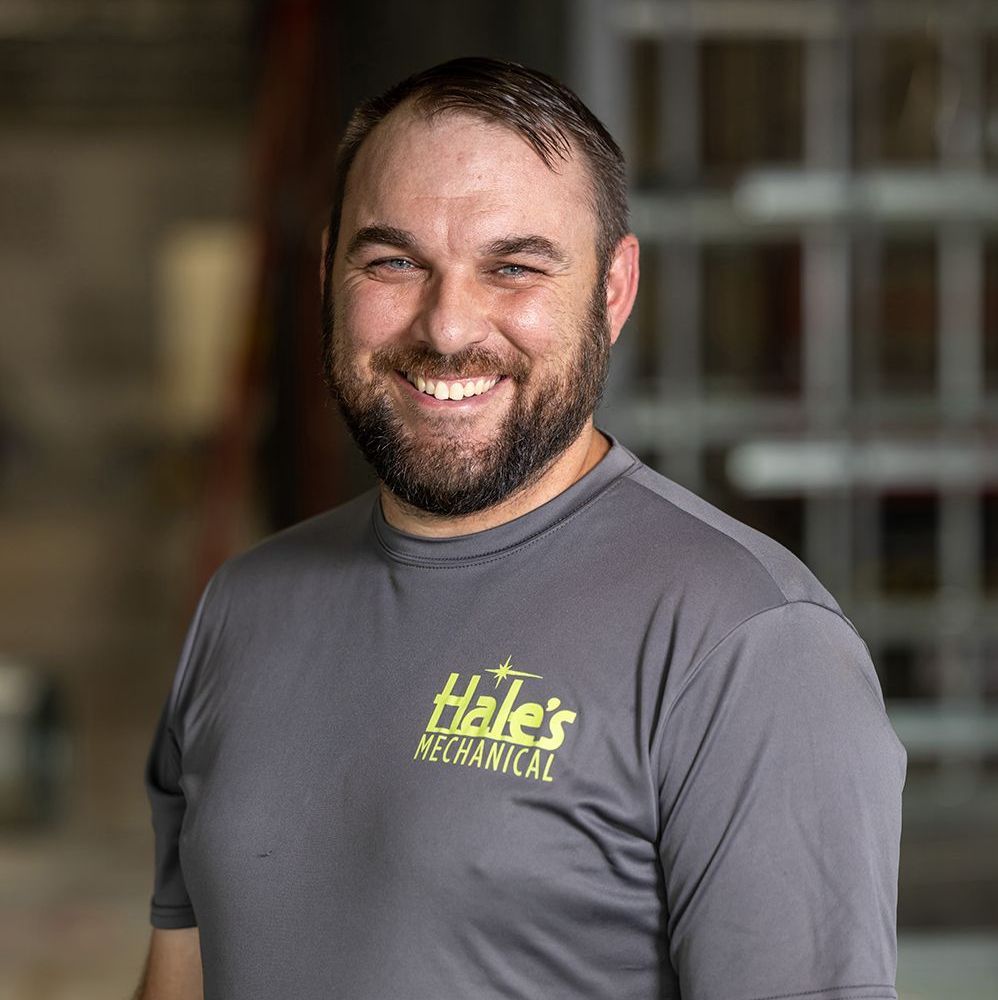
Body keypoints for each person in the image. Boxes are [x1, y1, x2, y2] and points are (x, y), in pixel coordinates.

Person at [136, 57, 905, 1000]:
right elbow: (177, 981)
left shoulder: (749, 644)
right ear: (331, 268)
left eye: (514, 267)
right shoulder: (242, 605)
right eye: (394, 261)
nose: (449, 325)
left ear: (613, 290)